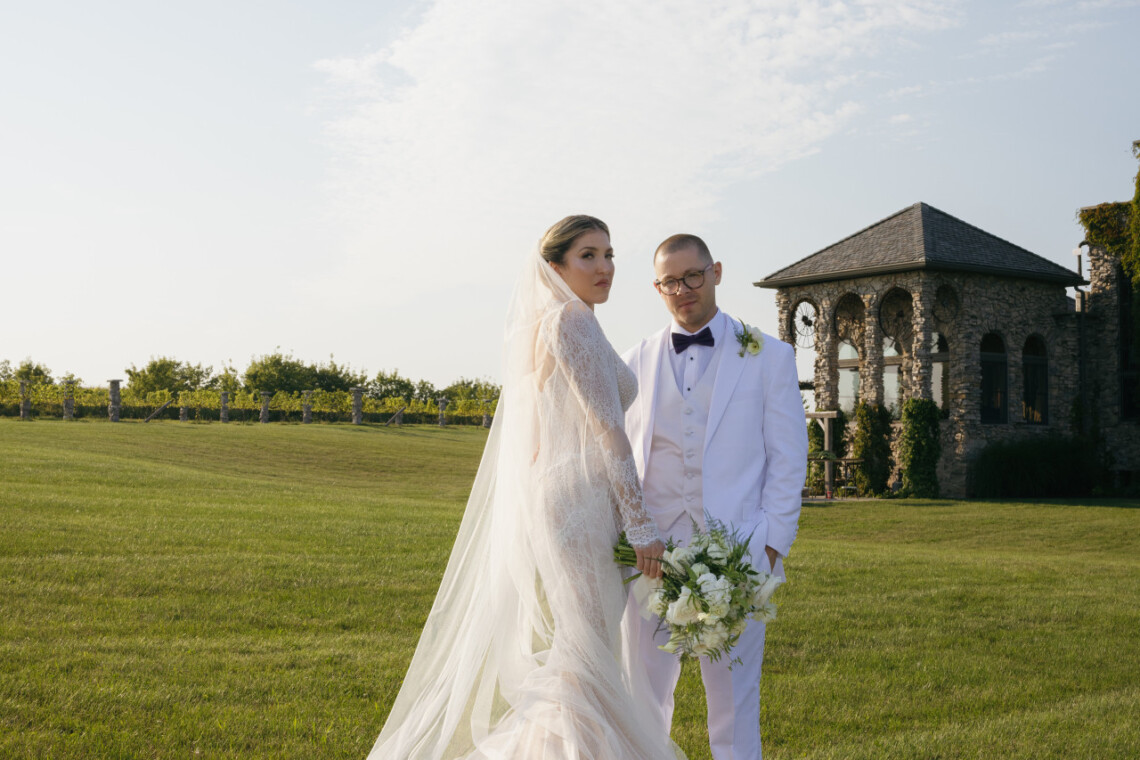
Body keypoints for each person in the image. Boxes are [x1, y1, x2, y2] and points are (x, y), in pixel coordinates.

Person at [367, 215, 685, 759]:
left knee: (585, 647)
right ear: (554, 267)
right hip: (581, 506)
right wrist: (639, 524)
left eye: (609, 254)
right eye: (588, 255)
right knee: (587, 650)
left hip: (569, 500)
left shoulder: (556, 324)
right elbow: (608, 431)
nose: (605, 267)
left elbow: (536, 431)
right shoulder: (572, 321)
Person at [621, 233, 808, 760]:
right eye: (670, 282)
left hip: (739, 554)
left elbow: (788, 458)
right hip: (650, 556)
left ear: (716, 272)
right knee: (642, 698)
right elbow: (620, 456)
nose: (683, 289)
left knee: (734, 705)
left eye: (693, 276)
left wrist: (771, 545)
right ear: (657, 288)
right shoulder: (633, 361)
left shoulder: (769, 356)